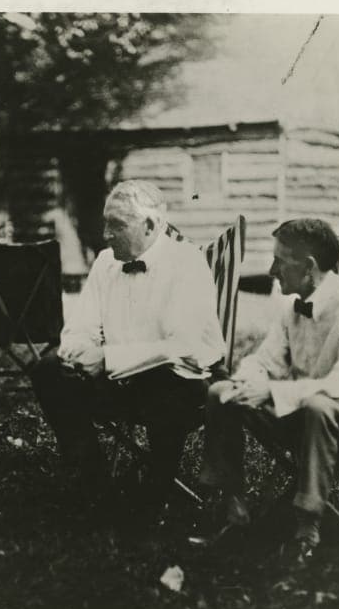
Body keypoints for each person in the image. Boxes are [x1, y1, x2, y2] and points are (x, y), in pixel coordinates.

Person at [196, 218, 339, 568]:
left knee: (320, 406)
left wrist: (274, 393)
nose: (272, 270)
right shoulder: (293, 306)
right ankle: (233, 509)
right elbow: (265, 359)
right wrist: (248, 383)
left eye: (280, 261)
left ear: (309, 267)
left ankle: (306, 532)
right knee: (221, 392)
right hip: (301, 416)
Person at [30, 180, 227, 522]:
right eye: (105, 223)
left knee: (165, 383)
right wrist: (79, 354)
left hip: (183, 384)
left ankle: (155, 493)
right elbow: (79, 328)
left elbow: (181, 347)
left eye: (117, 225)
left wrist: (107, 359)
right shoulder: (106, 262)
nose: (106, 234)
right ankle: (95, 484)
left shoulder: (187, 263)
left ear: (150, 226)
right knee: (49, 369)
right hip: (119, 383)